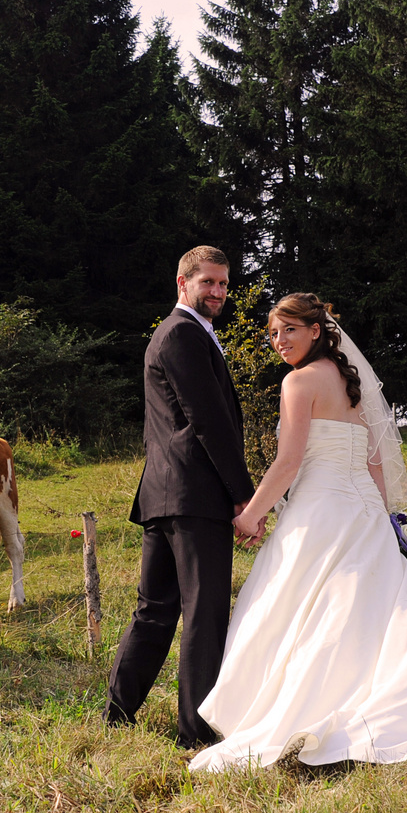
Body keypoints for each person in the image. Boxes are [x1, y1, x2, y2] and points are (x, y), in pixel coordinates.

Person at [189, 293, 407, 772]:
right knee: (377, 610)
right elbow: (374, 460)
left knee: (303, 608)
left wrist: (251, 513)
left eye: (290, 331)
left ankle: (313, 704)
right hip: (362, 509)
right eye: (274, 334)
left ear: (316, 331)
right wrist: (383, 516)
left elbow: (290, 460)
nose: (279, 341)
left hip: (321, 510)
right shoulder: (350, 381)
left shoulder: (298, 381)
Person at [106, 246, 258, 748]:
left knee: (156, 609)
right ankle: (194, 732)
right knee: (204, 611)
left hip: (167, 494)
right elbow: (209, 422)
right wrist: (243, 497)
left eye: (223, 284)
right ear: (182, 283)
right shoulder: (182, 335)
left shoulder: (181, 334)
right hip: (194, 497)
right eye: (208, 282)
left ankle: (117, 713)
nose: (217, 291)